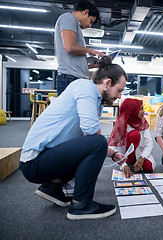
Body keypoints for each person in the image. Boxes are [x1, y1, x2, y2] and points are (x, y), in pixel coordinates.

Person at [19, 56, 127, 220]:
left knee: (95, 144)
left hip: (44, 158)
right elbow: (92, 135)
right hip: (34, 162)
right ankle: (81, 204)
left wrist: (112, 154)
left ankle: (52, 188)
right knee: (97, 142)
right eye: (119, 90)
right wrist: (105, 149)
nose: (119, 96)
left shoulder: (93, 97)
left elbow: (86, 140)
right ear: (107, 83)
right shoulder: (85, 88)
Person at [55, 0, 104, 96]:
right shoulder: (68, 18)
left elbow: (72, 60)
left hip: (72, 79)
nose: (89, 25)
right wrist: (90, 51)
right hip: (69, 80)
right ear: (86, 12)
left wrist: (90, 66)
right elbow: (69, 47)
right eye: (91, 21)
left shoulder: (74, 24)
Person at [109, 98, 156, 178]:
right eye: (140, 109)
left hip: (139, 153)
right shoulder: (120, 123)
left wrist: (142, 157)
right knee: (135, 134)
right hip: (124, 156)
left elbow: (149, 143)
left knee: (149, 167)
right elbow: (113, 148)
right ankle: (129, 162)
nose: (143, 111)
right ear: (132, 111)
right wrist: (123, 164)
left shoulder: (142, 122)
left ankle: (136, 161)